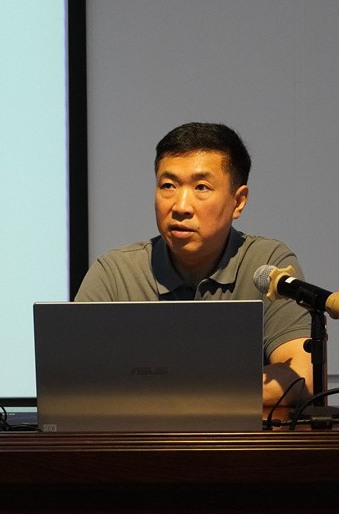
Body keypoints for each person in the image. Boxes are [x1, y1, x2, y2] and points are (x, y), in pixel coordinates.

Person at [75, 122, 313, 406]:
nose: (180, 206)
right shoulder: (115, 273)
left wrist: (185, 394)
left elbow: (302, 375)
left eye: (201, 187)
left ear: (238, 201)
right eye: (168, 186)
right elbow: (73, 382)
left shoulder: (267, 264)